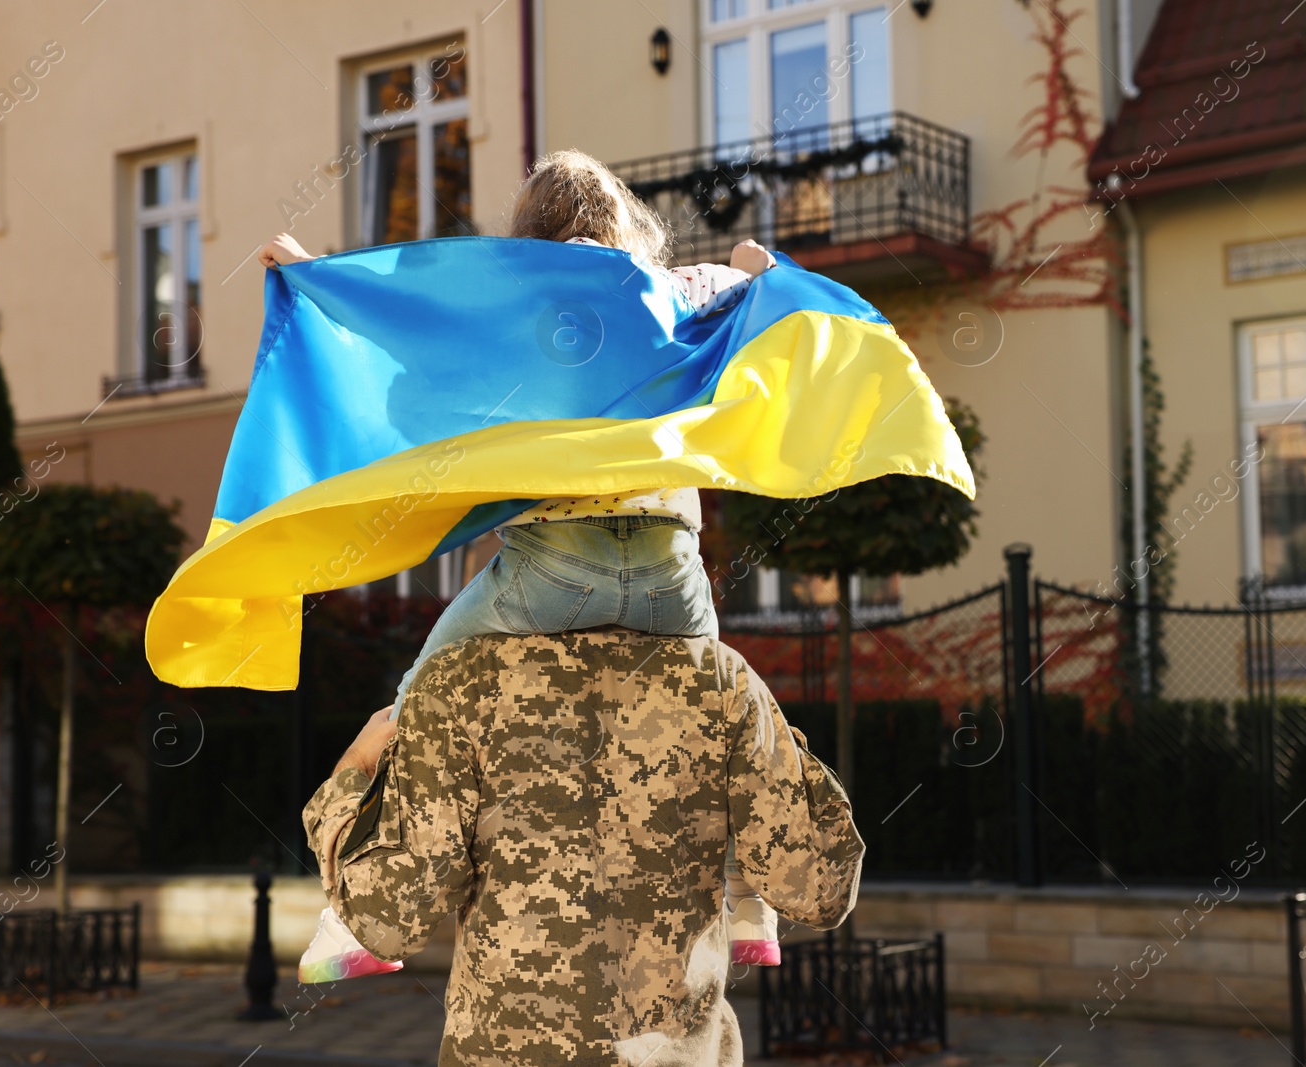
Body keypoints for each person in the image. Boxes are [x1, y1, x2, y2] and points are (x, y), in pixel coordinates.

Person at [263, 150, 784, 968]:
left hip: (553, 569)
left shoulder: (510, 297)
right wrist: (754, 263)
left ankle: (360, 923)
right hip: (670, 575)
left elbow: (407, 312)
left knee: (424, 692)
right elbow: (756, 282)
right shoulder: (679, 294)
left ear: (530, 229)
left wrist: (308, 273)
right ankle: (748, 904)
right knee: (715, 712)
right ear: (627, 225)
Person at [304, 631, 864, 1064]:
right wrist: (780, 748)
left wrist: (354, 771)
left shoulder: (458, 682)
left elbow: (386, 920)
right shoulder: (721, 679)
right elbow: (817, 890)